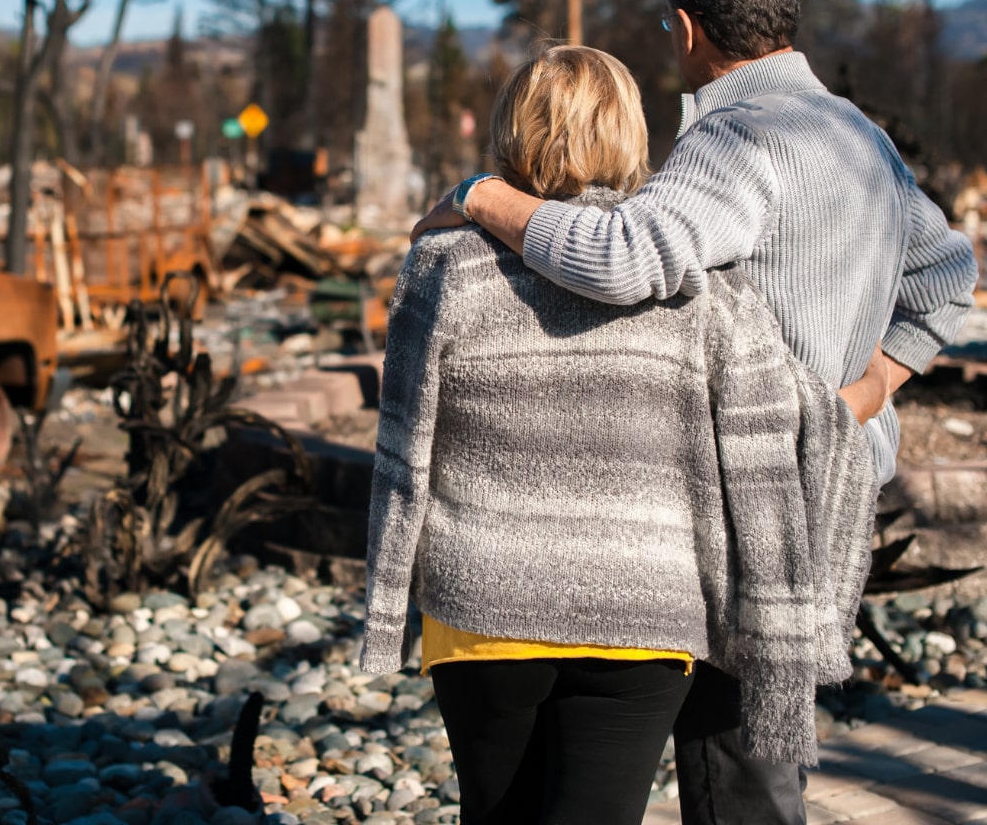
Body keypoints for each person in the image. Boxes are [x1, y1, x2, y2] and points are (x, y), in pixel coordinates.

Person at [411, 0, 979, 825]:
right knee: (765, 763)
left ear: (685, 27)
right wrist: (869, 392)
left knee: (733, 777)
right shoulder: (857, 137)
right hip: (837, 489)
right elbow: (949, 276)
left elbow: (621, 258)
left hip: (750, 499)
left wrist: (481, 197)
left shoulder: (736, 141)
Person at [363, 45, 884, 825]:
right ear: (631, 136)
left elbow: (404, 451)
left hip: (484, 606)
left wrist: (384, 609)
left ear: (512, 131)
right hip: (646, 614)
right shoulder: (696, 286)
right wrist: (874, 388)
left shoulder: (446, 264)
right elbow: (773, 431)